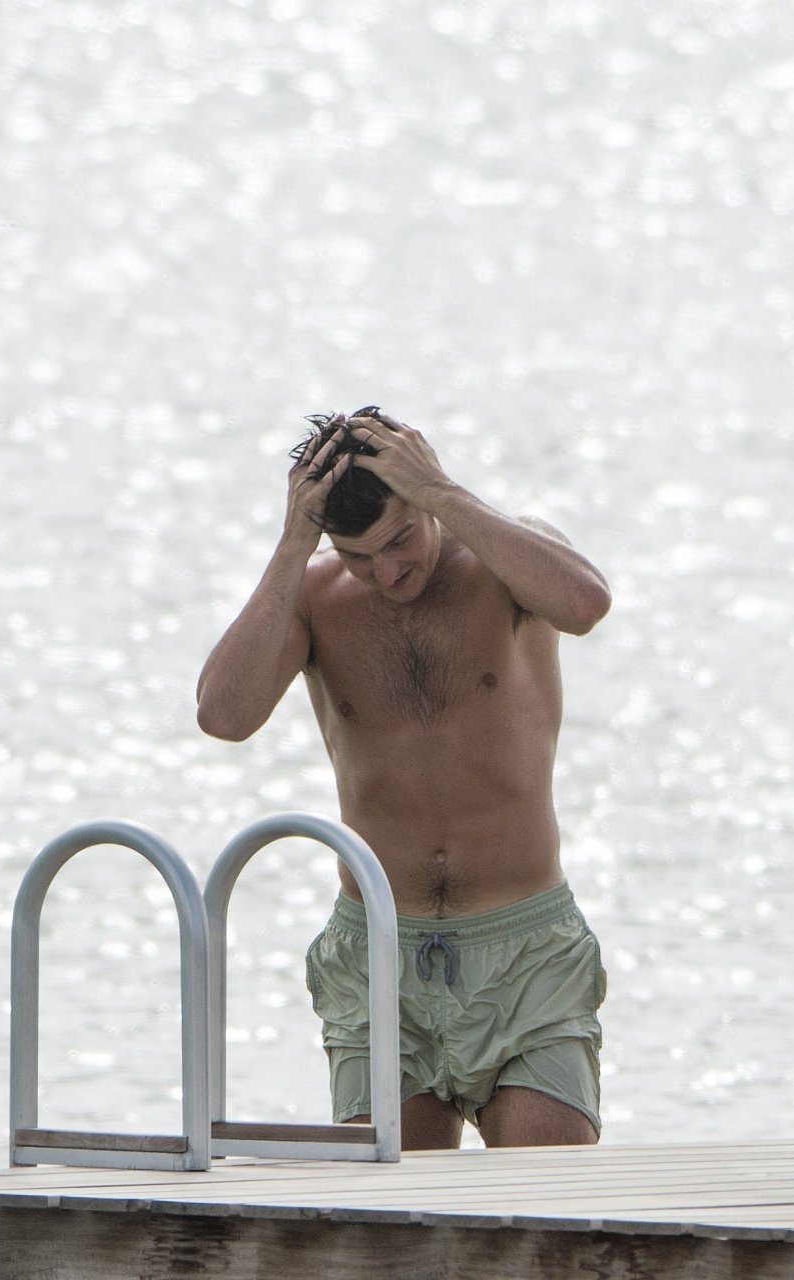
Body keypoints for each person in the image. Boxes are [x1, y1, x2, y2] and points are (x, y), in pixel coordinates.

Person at [196, 406, 612, 1150]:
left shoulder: (502, 563)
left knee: (550, 1197)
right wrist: (294, 544)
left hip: (524, 949)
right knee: (389, 1204)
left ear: (424, 496)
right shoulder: (316, 597)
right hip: (379, 949)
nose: (387, 573)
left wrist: (443, 494)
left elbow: (585, 604)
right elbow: (224, 716)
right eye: (358, 556)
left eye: (399, 539)